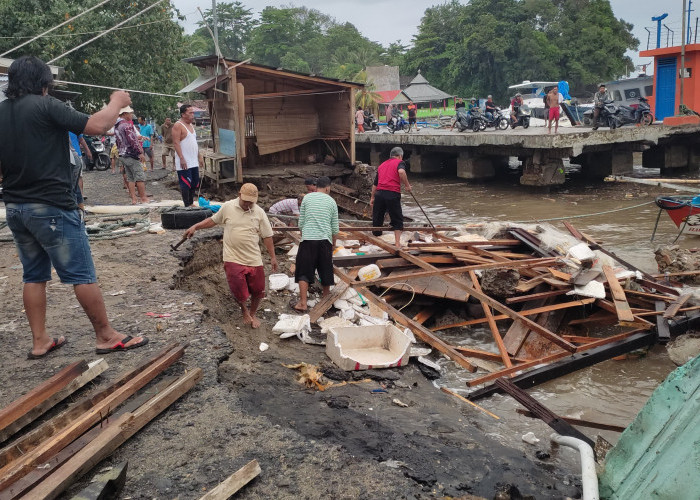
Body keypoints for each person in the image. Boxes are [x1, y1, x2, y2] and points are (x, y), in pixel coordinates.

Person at [0, 56, 148, 358]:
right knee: (81, 274)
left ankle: (40, 341)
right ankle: (105, 335)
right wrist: (117, 101)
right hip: (52, 206)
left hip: (15, 206)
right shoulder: (45, 104)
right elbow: (97, 126)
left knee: (33, 275)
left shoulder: (1, 112)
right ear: (44, 83)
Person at [183, 183, 277, 329]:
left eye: (251, 202)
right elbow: (213, 221)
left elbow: (267, 236)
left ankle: (253, 313)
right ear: (239, 195)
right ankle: (244, 310)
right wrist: (196, 226)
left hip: (253, 258)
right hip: (232, 257)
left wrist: (273, 257)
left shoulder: (259, 212)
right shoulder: (228, 207)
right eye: (245, 201)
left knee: (259, 290)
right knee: (238, 289)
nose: (247, 204)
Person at [291, 176, 339, 313]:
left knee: (304, 272)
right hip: (325, 241)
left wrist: (305, 233)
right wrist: (333, 244)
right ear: (328, 187)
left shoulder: (307, 198)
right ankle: (325, 300)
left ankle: (303, 303)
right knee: (325, 270)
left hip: (308, 240)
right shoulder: (332, 201)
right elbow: (335, 228)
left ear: (316, 186)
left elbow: (301, 223)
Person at [370, 146, 412, 248]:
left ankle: (376, 240)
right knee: (397, 219)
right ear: (400, 156)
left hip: (379, 194)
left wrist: (372, 197)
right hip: (392, 193)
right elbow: (401, 172)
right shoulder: (399, 163)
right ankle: (397, 244)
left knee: (377, 219)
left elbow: (375, 183)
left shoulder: (382, 165)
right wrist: (407, 185)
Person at [114, 107, 148, 204]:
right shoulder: (127, 125)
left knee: (130, 177)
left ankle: (134, 199)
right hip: (130, 154)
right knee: (139, 176)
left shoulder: (117, 126)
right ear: (124, 114)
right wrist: (140, 152)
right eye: (130, 113)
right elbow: (132, 141)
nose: (132, 115)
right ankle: (143, 198)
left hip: (122, 154)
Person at [172, 104, 203, 207]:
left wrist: (199, 156)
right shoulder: (178, 125)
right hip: (184, 160)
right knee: (186, 183)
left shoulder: (191, 126)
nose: (192, 115)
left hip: (193, 160)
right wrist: (181, 158)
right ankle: (187, 204)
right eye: (190, 113)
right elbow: (176, 143)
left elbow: (194, 143)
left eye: (193, 112)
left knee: (194, 182)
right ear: (183, 114)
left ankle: (191, 202)